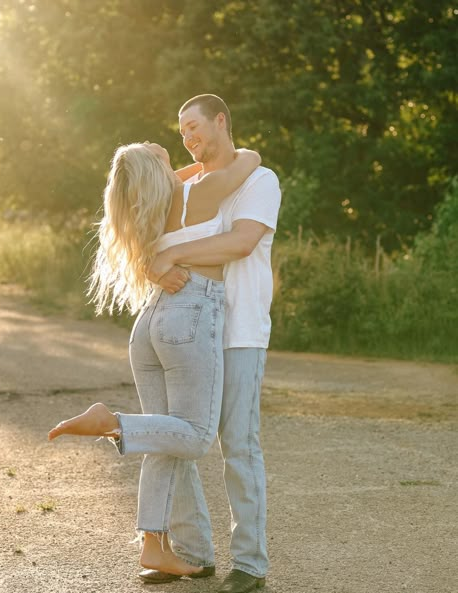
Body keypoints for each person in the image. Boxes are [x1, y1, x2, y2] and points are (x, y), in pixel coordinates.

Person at [48, 140, 261, 578]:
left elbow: (180, 173)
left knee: (165, 437)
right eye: (150, 148)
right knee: (198, 435)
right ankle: (114, 423)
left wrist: (151, 165)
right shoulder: (193, 194)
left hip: (150, 322)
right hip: (189, 315)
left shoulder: (145, 205)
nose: (156, 142)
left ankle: (161, 546)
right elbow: (246, 160)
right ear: (156, 172)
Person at [145, 95, 281, 593]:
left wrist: (174, 254)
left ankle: (250, 563)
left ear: (221, 120)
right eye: (181, 132)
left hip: (238, 330)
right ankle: (194, 554)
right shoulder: (190, 187)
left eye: (195, 126)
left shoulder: (258, 181)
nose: (189, 137)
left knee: (238, 447)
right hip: (187, 330)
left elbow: (239, 242)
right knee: (176, 436)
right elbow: (152, 237)